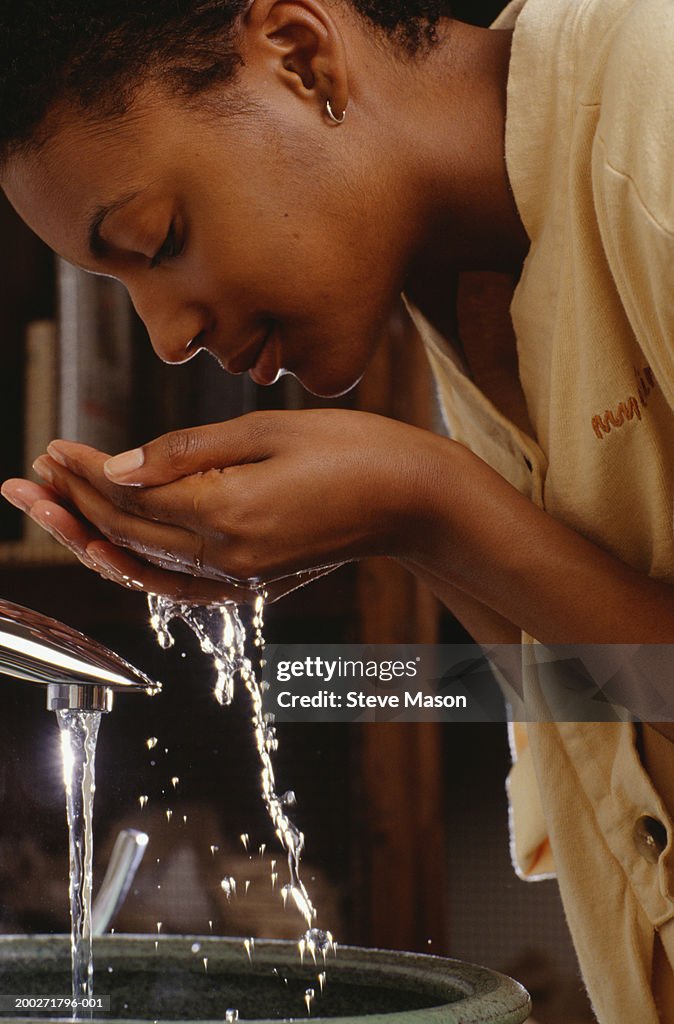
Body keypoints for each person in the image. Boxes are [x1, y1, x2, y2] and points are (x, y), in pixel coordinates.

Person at [0, 0, 672, 1019]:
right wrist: (402, 525)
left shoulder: (656, 115)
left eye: (157, 237)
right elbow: (620, 697)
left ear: (302, 57)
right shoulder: (473, 284)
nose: (166, 335)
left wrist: (429, 500)